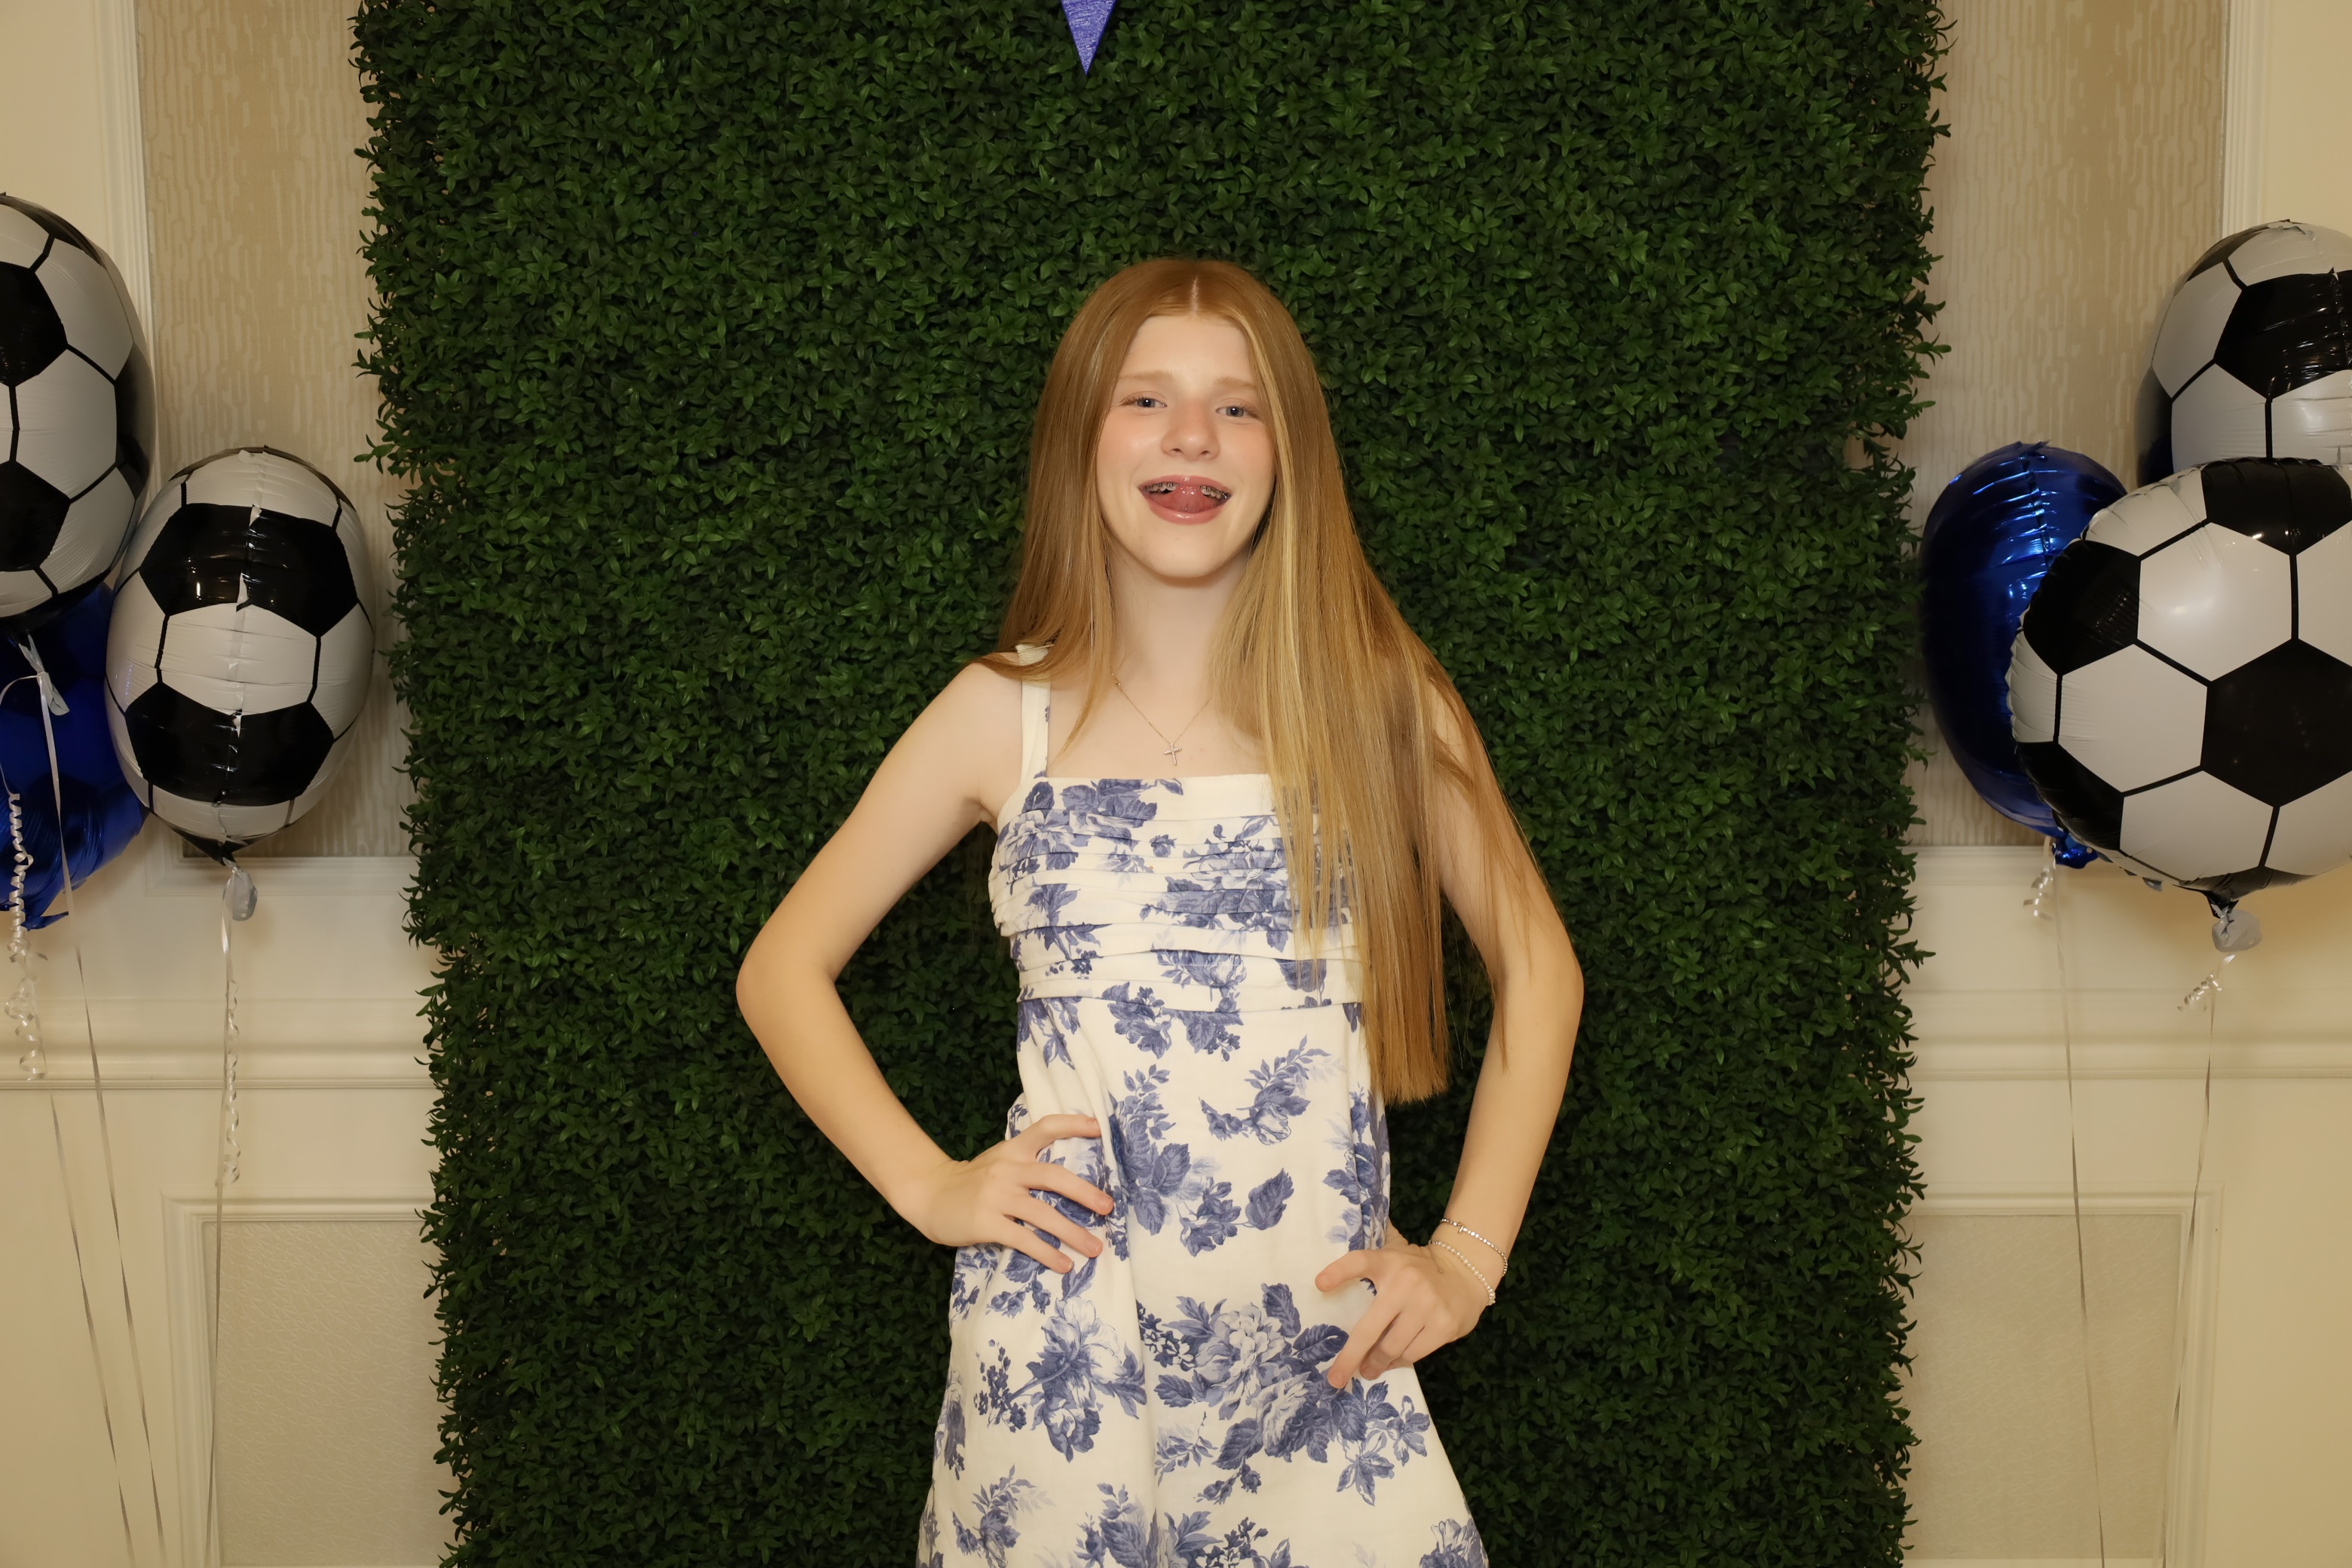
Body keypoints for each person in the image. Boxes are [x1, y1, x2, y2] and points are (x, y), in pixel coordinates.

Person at [736, 258, 1582, 1567]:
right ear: (1081, 438)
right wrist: (929, 1184)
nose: (1193, 435)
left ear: (1290, 453)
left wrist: (1468, 1258)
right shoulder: (998, 712)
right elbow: (782, 967)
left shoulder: (1381, 700)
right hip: (1060, 1357)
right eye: (1146, 399)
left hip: (1320, 1346)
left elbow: (1541, 968)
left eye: (1239, 407)